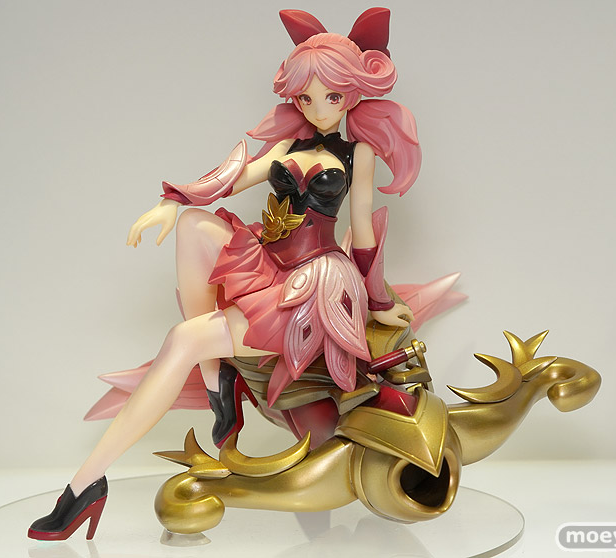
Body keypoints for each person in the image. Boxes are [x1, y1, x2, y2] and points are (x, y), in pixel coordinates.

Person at [28, 7, 421, 541]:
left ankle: (84, 486)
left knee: (184, 338)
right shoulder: (288, 146)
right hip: (271, 263)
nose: (318, 108)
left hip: (314, 283)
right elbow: (231, 180)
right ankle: (218, 377)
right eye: (306, 98)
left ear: (352, 93)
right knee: (193, 224)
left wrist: (378, 303)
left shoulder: (358, 154)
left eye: (331, 97)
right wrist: (174, 201)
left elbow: (364, 231)